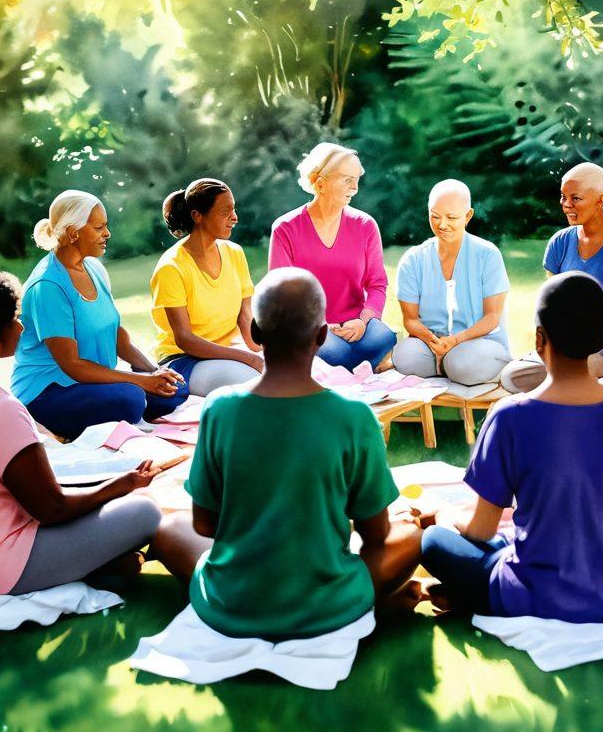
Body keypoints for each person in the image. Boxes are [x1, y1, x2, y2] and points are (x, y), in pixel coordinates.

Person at [152, 268, 423, 639]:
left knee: (170, 527)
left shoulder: (218, 408)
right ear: (322, 335)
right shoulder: (354, 417)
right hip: (323, 602)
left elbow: (204, 525)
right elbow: (376, 534)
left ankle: (259, 599)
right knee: (408, 533)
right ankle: (366, 603)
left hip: (234, 601)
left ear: (256, 334)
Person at [420, 272, 603, 619]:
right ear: (601, 340)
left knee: (435, 540)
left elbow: (481, 529)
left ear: (540, 340)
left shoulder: (508, 415)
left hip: (531, 595)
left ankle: (473, 590)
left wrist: (447, 516)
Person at [0, 271, 164, 596]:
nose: (22, 327)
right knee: (145, 511)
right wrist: (120, 486)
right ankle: (102, 564)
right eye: (14, 318)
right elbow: (51, 510)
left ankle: (104, 565)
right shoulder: (1, 410)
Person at [12, 191, 188, 440]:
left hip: (92, 383)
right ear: (73, 233)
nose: (107, 234)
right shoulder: (48, 286)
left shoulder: (93, 267)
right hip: (49, 392)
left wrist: (154, 371)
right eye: (99, 228)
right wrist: (142, 383)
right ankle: (69, 422)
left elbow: (117, 336)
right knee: (132, 398)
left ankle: (122, 406)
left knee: (176, 387)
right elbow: (71, 365)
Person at [500, 162, 603, 393]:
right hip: (570, 345)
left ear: (601, 200)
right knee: (512, 376)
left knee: (577, 369)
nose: (566, 205)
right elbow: (553, 305)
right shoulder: (559, 243)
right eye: (563, 197)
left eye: (575, 198)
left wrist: (589, 339)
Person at [269, 143, 396, 372]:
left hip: (358, 326)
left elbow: (377, 284)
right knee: (332, 351)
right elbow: (282, 296)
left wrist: (363, 320)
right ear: (320, 183)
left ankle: (345, 367)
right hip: (309, 329)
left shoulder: (365, 225)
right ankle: (361, 366)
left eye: (357, 180)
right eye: (347, 180)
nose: (355, 188)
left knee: (385, 337)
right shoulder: (286, 229)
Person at [150, 178, 264, 397]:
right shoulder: (171, 267)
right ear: (197, 216)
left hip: (227, 352)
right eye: (225, 211)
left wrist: (265, 349)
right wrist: (249, 358)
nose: (235, 217)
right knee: (257, 386)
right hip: (184, 360)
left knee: (294, 371)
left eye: (234, 209)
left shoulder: (235, 253)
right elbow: (185, 339)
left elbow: (244, 317)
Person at [392, 180, 511, 386]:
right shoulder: (413, 259)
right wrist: (432, 340)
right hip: (432, 344)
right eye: (435, 216)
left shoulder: (487, 255)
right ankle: (445, 365)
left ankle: (452, 366)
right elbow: (410, 320)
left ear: (468, 216)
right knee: (404, 356)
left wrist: (456, 341)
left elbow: (492, 316)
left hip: (480, 343)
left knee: (460, 363)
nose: (442, 225)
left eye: (451, 217)